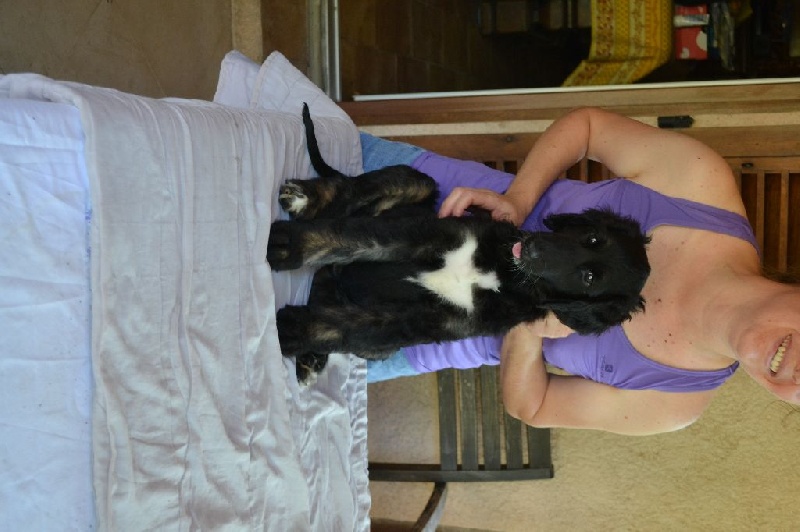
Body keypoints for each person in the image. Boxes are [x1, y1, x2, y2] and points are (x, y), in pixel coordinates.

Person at [360, 106, 800, 436]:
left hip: (396, 328)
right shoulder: (702, 185)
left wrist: (529, 327)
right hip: (401, 194)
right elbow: (587, 128)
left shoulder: (674, 404)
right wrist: (519, 200)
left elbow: (533, 406)